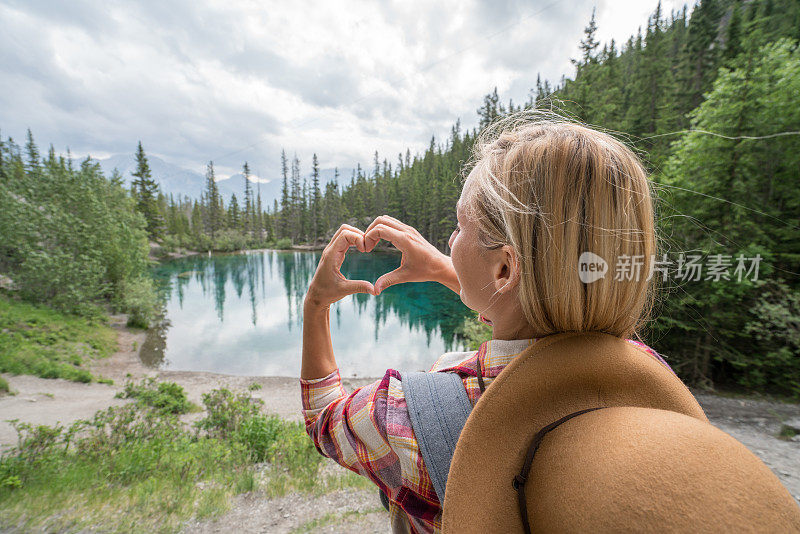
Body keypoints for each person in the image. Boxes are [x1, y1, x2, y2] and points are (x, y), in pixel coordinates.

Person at [300, 114, 674, 533]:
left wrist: (315, 304)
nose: (448, 241)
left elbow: (323, 418)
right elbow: (535, 310)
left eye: (459, 226)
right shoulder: (650, 374)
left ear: (505, 269)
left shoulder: (405, 415)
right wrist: (446, 269)